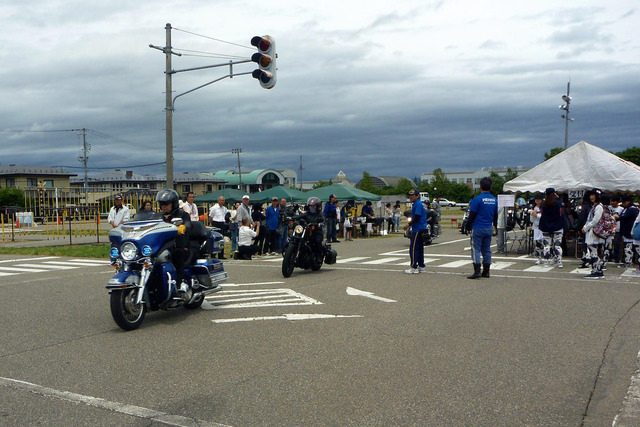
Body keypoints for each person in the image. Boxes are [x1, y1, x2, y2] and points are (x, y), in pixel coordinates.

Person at [156, 189, 192, 293]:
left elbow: (188, 224)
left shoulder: (182, 215)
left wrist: (183, 227)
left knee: (178, 254)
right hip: (162, 248)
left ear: (174, 203)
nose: (164, 206)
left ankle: (179, 284)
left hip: (179, 246)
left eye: (166, 204)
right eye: (162, 204)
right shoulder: (158, 217)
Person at [463, 177, 497, 279]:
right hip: (488, 227)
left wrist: (467, 226)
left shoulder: (477, 199)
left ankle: (477, 271)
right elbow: (495, 216)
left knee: (476, 249)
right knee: (486, 249)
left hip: (478, 227)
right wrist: (495, 227)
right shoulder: (494, 200)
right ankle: (486, 271)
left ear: (480, 187)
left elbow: (472, 214)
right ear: (491, 187)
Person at [582, 188, 606, 279]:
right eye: (591, 195)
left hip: (594, 232)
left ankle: (596, 270)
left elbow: (595, 220)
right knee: (593, 251)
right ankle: (597, 270)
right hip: (591, 231)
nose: (592, 197)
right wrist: (585, 226)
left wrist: (586, 227)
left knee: (593, 251)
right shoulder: (595, 206)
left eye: (594, 195)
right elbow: (590, 219)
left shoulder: (599, 207)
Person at [539, 188, 565, 268]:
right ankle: (560, 262)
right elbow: (561, 211)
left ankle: (546, 262)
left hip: (545, 226)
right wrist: (558, 198)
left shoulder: (543, 204)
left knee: (547, 245)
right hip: (557, 226)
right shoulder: (558, 203)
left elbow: (542, 213)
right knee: (558, 245)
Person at [403, 189, 427, 274]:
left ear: (417, 196)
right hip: (421, 228)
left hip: (418, 228)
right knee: (419, 248)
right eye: (410, 195)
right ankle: (421, 266)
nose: (411, 197)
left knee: (413, 248)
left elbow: (417, 216)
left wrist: (408, 224)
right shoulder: (417, 204)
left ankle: (414, 267)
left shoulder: (418, 204)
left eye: (413, 195)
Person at [618, 195, 638, 268]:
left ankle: (628, 261)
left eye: (624, 202)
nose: (623, 203)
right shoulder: (625, 209)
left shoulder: (632, 209)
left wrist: (619, 217)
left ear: (629, 201)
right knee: (626, 246)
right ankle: (627, 261)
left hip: (629, 230)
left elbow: (624, 217)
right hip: (625, 231)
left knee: (628, 247)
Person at [530, 193, 544, 264]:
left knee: (545, 243)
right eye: (536, 199)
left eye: (539, 199)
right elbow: (532, 220)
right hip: (536, 228)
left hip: (543, 227)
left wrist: (537, 215)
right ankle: (539, 258)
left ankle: (550, 257)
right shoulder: (534, 208)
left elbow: (544, 218)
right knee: (538, 244)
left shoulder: (544, 207)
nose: (537, 200)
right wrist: (532, 214)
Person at [610, 194, 623, 264]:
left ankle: (617, 258)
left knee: (616, 243)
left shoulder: (621, 209)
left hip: (617, 228)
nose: (612, 202)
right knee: (609, 243)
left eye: (614, 201)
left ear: (617, 202)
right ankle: (608, 257)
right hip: (609, 228)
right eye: (612, 201)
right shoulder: (608, 208)